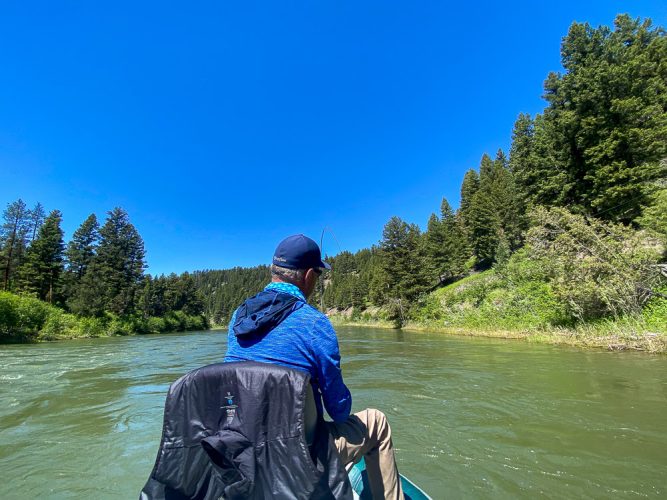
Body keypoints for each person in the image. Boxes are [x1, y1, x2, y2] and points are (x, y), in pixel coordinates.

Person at [225, 234, 404, 500]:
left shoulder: (238, 318)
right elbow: (340, 411)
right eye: (318, 275)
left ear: (273, 271)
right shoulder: (314, 324)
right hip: (298, 457)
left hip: (244, 452)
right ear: (309, 276)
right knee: (377, 422)